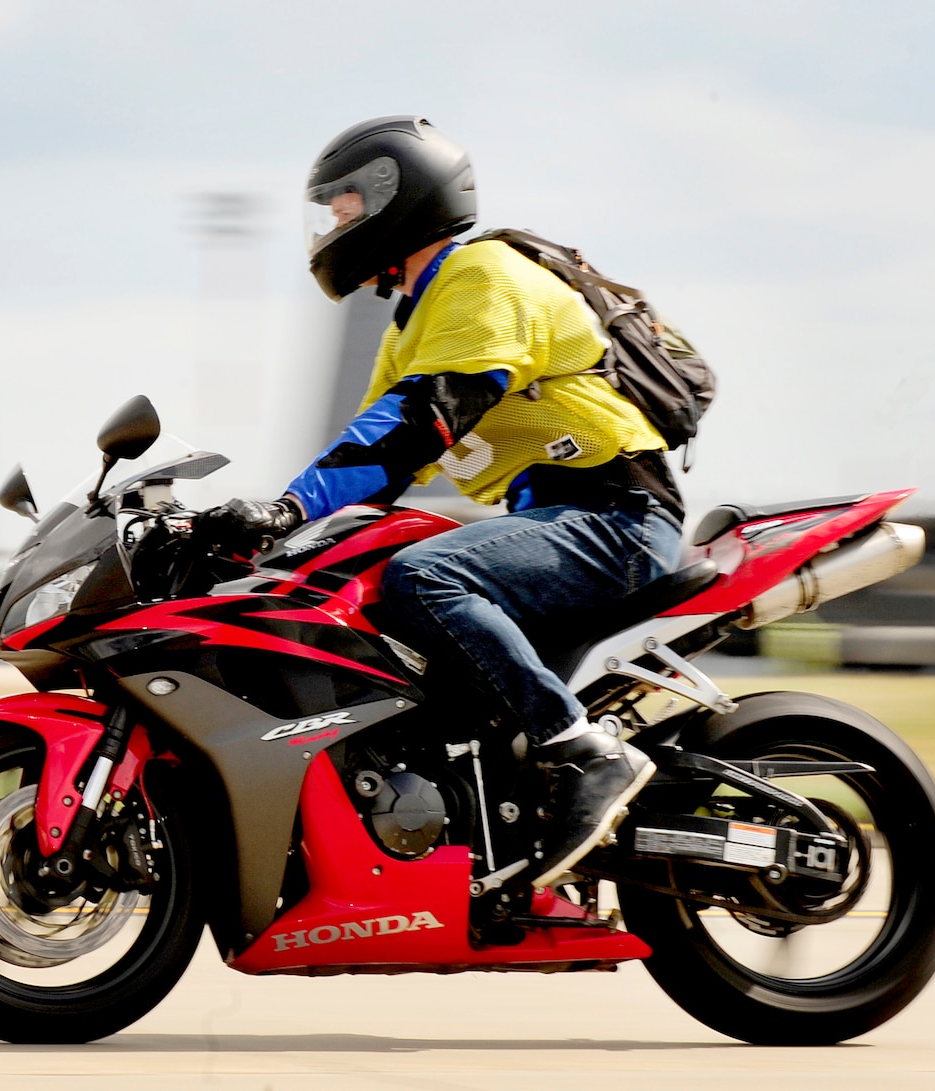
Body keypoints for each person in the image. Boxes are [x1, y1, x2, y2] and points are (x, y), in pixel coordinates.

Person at [203, 115, 683, 889]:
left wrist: (287, 507)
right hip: (549, 520)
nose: (333, 226)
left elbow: (416, 422)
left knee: (425, 578)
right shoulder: (411, 324)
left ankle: (585, 753)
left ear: (402, 193)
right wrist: (263, 536)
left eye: (346, 206)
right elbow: (373, 462)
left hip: (614, 515)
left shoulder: (482, 275)